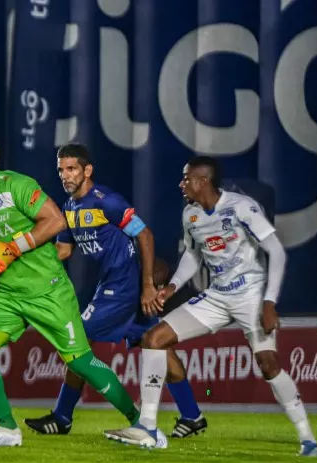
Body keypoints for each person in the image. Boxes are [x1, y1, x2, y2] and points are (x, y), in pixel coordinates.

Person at [103, 155, 317, 456]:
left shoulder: (241, 207)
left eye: (186, 178)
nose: (182, 184)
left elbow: (277, 252)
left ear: (203, 181)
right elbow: (193, 256)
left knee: (268, 365)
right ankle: (148, 427)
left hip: (251, 295)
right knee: (154, 339)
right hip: (217, 296)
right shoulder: (191, 215)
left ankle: (307, 438)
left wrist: (269, 301)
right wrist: (171, 288)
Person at [0, 132, 141, 448]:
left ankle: (139, 423)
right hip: (5, 294)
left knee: (81, 363)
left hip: (48, 291)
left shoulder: (16, 185)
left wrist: (11, 249)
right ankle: (6, 429)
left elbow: (56, 221)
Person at [23, 144, 206, 440]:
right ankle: (192, 414)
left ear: (87, 171)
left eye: (71, 169)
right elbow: (63, 250)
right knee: (156, 344)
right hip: (112, 286)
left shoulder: (106, 201)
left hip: (122, 288)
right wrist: (25, 258)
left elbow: (144, 234)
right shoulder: (69, 207)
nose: (65, 175)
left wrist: (147, 285)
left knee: (76, 342)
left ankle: (63, 416)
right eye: (61, 169)